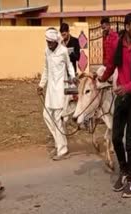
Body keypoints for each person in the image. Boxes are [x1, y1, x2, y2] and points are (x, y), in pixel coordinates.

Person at [97, 13, 131, 198]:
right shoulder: (118, 45)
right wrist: (101, 79)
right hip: (121, 99)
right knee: (116, 139)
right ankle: (124, 171)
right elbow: (111, 65)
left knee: (130, 143)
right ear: (126, 27)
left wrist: (126, 88)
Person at [37, 27, 76, 161]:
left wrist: (73, 77)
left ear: (55, 42)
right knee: (47, 116)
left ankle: (62, 150)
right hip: (50, 91)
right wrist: (41, 85)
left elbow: (70, 66)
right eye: (47, 42)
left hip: (61, 89)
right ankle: (60, 143)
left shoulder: (63, 51)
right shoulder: (47, 51)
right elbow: (46, 69)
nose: (48, 44)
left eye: (50, 42)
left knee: (58, 120)